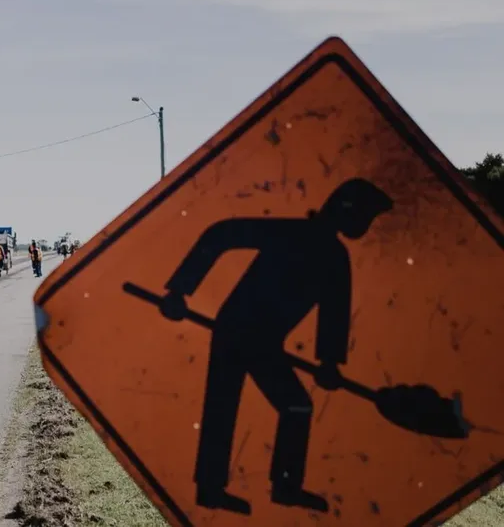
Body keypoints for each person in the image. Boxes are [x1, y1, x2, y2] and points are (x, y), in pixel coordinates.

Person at [158, 178, 393, 516]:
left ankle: (285, 486)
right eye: (365, 217)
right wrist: (179, 291)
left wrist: (329, 362)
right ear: (348, 212)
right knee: (222, 404)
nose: (366, 226)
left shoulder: (335, 258)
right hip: (234, 328)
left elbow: (334, 314)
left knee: (297, 405)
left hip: (266, 341)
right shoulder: (291, 233)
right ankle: (211, 491)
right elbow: (221, 234)